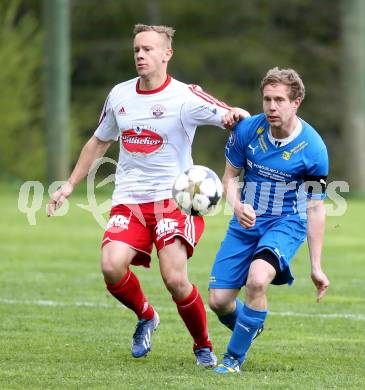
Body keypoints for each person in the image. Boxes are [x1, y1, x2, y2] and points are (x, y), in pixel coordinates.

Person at [47, 24, 249, 367]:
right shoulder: (120, 96)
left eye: (148, 49)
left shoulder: (186, 96)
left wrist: (234, 115)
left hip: (175, 201)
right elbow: (99, 141)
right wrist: (68, 185)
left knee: (174, 278)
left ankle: (202, 344)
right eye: (137, 49)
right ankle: (146, 315)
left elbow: (234, 116)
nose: (140, 55)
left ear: (166, 54)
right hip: (130, 199)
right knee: (111, 266)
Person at [208, 67, 330, 374]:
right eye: (266, 99)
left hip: (286, 223)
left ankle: (232, 359)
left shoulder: (314, 148)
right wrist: (236, 205)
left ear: (296, 102)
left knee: (257, 280)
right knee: (219, 301)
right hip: (246, 221)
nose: (271, 107)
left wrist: (316, 266)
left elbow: (315, 207)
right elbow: (229, 178)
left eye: (279, 100)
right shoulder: (247, 130)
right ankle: (249, 326)